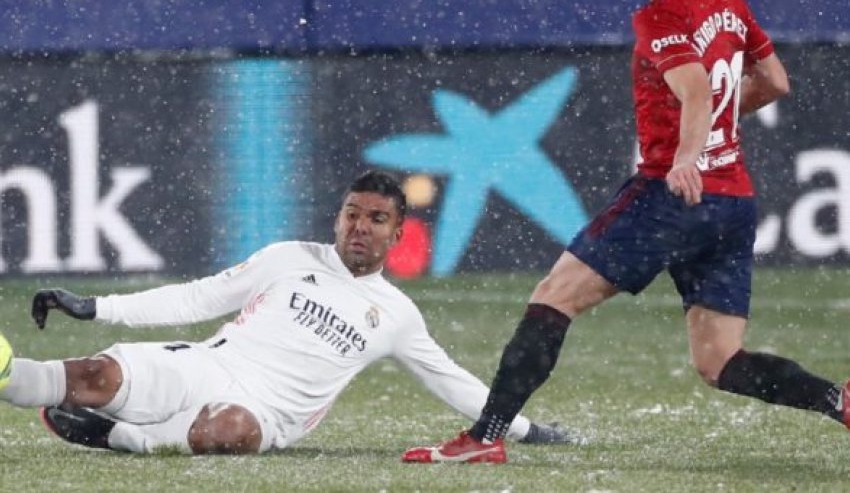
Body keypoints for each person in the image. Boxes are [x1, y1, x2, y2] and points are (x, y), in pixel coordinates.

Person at [403, 0, 850, 464]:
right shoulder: (726, 0)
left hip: (671, 194)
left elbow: (692, 92)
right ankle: (838, 401)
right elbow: (774, 82)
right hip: (733, 201)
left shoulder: (660, 15)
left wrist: (688, 154)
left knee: (552, 298)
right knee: (721, 362)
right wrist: (715, 127)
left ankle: (483, 438)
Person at [0, 170, 574, 454]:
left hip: (265, 412)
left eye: (376, 219)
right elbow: (198, 298)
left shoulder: (396, 316)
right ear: (338, 217)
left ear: (397, 233)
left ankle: (123, 439)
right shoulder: (287, 258)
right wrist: (97, 306)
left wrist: (522, 430)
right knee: (92, 376)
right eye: (352, 213)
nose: (359, 227)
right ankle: (9, 373)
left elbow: (453, 383)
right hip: (208, 365)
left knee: (225, 432)